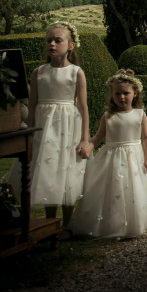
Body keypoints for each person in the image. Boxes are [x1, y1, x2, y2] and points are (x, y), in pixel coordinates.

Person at [4, 21, 89, 231]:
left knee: (67, 171)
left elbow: (84, 108)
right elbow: (32, 107)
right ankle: (51, 223)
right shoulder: (38, 72)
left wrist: (85, 139)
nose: (52, 44)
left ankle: (67, 223)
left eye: (57, 40)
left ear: (70, 45)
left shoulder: (76, 72)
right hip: (44, 128)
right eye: (48, 40)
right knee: (48, 170)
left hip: (69, 126)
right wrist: (28, 134)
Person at [70, 70, 147, 239]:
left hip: (134, 158)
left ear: (135, 93)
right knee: (112, 192)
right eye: (117, 93)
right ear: (112, 94)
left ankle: (134, 223)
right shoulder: (108, 116)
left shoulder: (139, 114)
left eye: (126, 93)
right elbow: (98, 137)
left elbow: (146, 138)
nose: (121, 97)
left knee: (134, 190)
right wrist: (88, 146)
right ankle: (112, 223)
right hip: (111, 158)